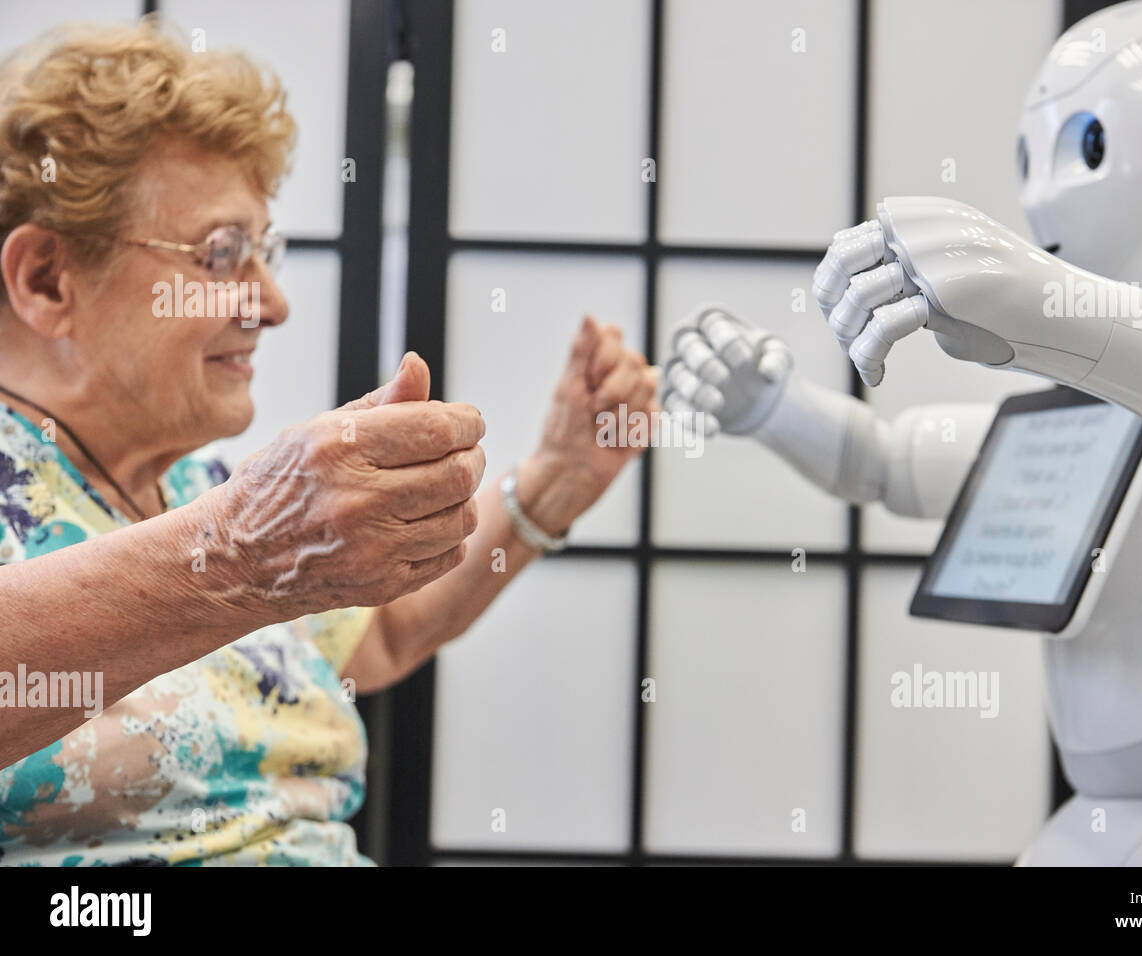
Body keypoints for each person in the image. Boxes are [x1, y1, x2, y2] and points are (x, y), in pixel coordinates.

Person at [0, 19, 656, 865]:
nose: (272, 303)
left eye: (264, 252)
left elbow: (376, 639)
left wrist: (554, 484)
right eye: (222, 254)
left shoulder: (191, 485)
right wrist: (236, 556)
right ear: (46, 279)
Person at [663, 0, 1142, 863]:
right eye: (1029, 160)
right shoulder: (1073, 417)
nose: (1044, 195)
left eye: (1086, 147)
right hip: (1088, 830)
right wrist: (775, 409)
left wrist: (1049, 308)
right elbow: (884, 463)